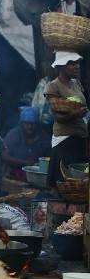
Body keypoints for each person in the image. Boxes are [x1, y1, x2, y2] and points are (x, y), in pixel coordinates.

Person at [44, 51, 88, 187]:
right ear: (61, 66)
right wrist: (76, 114)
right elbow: (58, 117)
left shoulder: (76, 83)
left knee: (79, 182)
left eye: (78, 63)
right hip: (64, 141)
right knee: (64, 182)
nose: (77, 66)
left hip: (79, 137)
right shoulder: (54, 86)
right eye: (72, 63)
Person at [1, 107, 51, 182]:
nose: (29, 127)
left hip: (36, 177)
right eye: (26, 124)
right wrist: (25, 163)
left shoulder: (44, 138)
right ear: (21, 123)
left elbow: (49, 159)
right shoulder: (14, 134)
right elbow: (4, 156)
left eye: (32, 124)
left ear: (37, 124)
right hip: (12, 175)